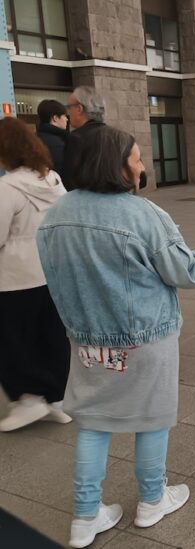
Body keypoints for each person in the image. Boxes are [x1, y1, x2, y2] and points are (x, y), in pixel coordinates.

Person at [36, 126, 195, 548]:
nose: (141, 167)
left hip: (87, 341)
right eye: (135, 158)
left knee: (93, 423)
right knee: (153, 418)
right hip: (145, 339)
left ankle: (85, 517)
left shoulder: (55, 214)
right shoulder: (142, 214)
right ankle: (152, 500)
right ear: (115, 165)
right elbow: (185, 272)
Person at [0, 117, 71, 432]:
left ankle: (28, 398)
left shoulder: (7, 187)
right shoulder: (53, 180)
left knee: (13, 339)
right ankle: (56, 399)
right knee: (52, 336)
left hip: (14, 278)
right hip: (51, 271)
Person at [61, 86, 107, 190]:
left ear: (79, 109)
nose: (68, 113)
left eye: (69, 107)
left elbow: (69, 180)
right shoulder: (119, 137)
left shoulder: (76, 138)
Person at [36, 99, 69, 176]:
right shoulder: (59, 142)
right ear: (55, 118)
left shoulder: (34, 139)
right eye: (64, 116)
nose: (67, 119)